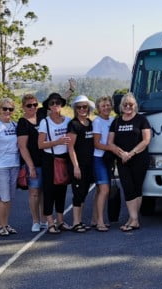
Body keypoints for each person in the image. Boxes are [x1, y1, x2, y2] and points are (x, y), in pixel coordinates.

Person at [108, 93, 152, 232]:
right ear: (121, 106)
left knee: (137, 189)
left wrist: (131, 153)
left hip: (139, 159)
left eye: (131, 105)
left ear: (135, 106)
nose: (128, 107)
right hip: (123, 160)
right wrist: (122, 154)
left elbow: (146, 140)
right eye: (125, 104)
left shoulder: (142, 120)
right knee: (128, 188)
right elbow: (110, 143)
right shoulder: (116, 121)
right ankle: (134, 220)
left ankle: (133, 220)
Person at [38, 92, 72, 234]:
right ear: (48, 106)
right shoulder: (45, 122)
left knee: (62, 191)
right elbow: (40, 144)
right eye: (52, 103)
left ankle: (61, 220)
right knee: (49, 191)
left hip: (64, 157)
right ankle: (50, 222)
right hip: (49, 159)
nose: (55, 105)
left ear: (61, 104)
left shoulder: (68, 120)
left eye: (57, 102)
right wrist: (57, 142)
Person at [0, 98, 20, 236]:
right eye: (4, 108)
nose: (7, 111)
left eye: (10, 109)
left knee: (9, 198)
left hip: (14, 164)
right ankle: (1, 226)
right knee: (3, 197)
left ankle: (6, 224)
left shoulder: (15, 125)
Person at [16, 94, 47, 233]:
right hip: (32, 163)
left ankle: (45, 220)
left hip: (46, 161)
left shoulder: (41, 114)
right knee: (34, 193)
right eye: (29, 105)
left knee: (44, 192)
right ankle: (36, 221)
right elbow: (22, 147)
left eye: (35, 105)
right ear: (23, 107)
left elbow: (56, 102)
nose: (32, 107)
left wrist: (70, 90)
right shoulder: (23, 122)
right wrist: (30, 166)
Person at [67, 95, 96, 233]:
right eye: (79, 107)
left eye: (85, 107)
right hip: (78, 165)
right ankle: (75, 222)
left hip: (89, 164)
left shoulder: (90, 123)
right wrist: (76, 166)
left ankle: (80, 221)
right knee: (78, 193)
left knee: (84, 192)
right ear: (75, 109)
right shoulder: (73, 124)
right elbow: (70, 147)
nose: (82, 109)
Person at [90, 96, 115, 232]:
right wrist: (112, 148)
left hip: (108, 159)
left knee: (100, 190)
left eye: (108, 105)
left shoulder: (113, 120)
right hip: (99, 158)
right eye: (103, 106)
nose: (106, 108)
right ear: (98, 108)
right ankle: (100, 221)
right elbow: (97, 144)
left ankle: (95, 218)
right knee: (104, 190)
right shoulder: (97, 122)